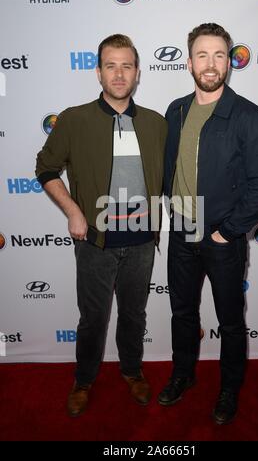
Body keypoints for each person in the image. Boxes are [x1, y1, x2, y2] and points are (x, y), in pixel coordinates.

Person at [36, 34, 167, 417]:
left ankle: (132, 371)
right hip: (94, 240)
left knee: (133, 314)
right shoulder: (75, 119)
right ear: (98, 72)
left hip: (143, 241)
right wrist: (73, 211)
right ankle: (84, 380)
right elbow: (45, 167)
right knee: (93, 317)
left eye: (127, 65)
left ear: (138, 73)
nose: (119, 73)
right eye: (111, 65)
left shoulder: (157, 124)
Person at [158, 23, 258, 424]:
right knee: (182, 313)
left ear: (230, 61)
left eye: (219, 55)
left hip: (222, 236)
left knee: (229, 320)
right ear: (189, 61)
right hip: (181, 232)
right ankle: (183, 374)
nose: (211, 64)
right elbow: (168, 167)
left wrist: (227, 231)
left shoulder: (248, 115)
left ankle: (229, 387)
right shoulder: (174, 111)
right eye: (203, 55)